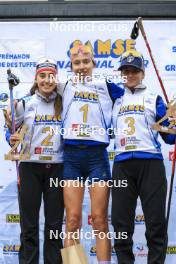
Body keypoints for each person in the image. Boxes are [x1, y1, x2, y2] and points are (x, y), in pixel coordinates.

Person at [59, 43, 124, 263]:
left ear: (93, 64)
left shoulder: (106, 85)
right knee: (73, 220)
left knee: (99, 220)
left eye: (86, 62)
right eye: (76, 63)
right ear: (70, 66)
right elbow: (41, 91)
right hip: (71, 157)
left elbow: (132, 97)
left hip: (97, 157)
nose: (81, 66)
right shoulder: (64, 84)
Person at [111, 49, 176, 264]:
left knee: (156, 223)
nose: (130, 75)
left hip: (150, 164)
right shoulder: (114, 98)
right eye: (126, 71)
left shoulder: (153, 98)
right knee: (121, 225)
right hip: (122, 164)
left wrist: (173, 123)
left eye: (135, 70)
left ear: (142, 72)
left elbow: (170, 138)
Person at [6, 58, 64, 264]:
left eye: (51, 76)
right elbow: (11, 133)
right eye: (42, 76)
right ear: (36, 78)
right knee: (29, 226)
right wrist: (11, 138)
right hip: (30, 167)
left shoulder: (65, 102)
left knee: (54, 226)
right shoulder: (23, 103)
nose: (47, 80)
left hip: (57, 168)